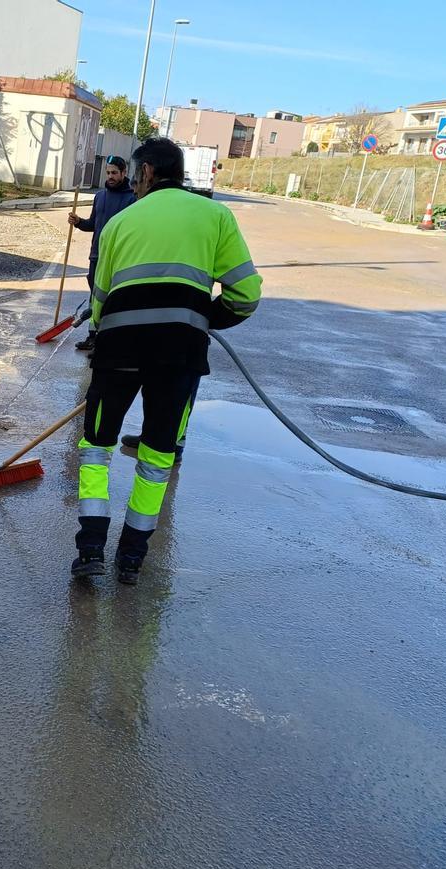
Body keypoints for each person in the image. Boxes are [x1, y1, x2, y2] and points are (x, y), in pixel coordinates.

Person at [71, 138, 262, 585]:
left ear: (149, 173)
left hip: (117, 354)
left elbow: (99, 303)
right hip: (180, 356)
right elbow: (246, 295)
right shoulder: (216, 217)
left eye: (137, 176)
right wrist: (201, 318)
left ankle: (90, 550)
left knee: (96, 450)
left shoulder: (121, 222)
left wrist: (109, 321)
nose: (135, 184)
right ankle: (132, 559)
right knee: (157, 458)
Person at [68, 156, 136, 353]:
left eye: (115, 172)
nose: (111, 176)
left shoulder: (132, 198)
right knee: (95, 297)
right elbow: (93, 225)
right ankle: (92, 337)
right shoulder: (100, 196)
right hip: (96, 255)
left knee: (112, 299)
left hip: (117, 259)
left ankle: (107, 341)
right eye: (108, 172)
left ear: (124, 173)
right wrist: (79, 222)